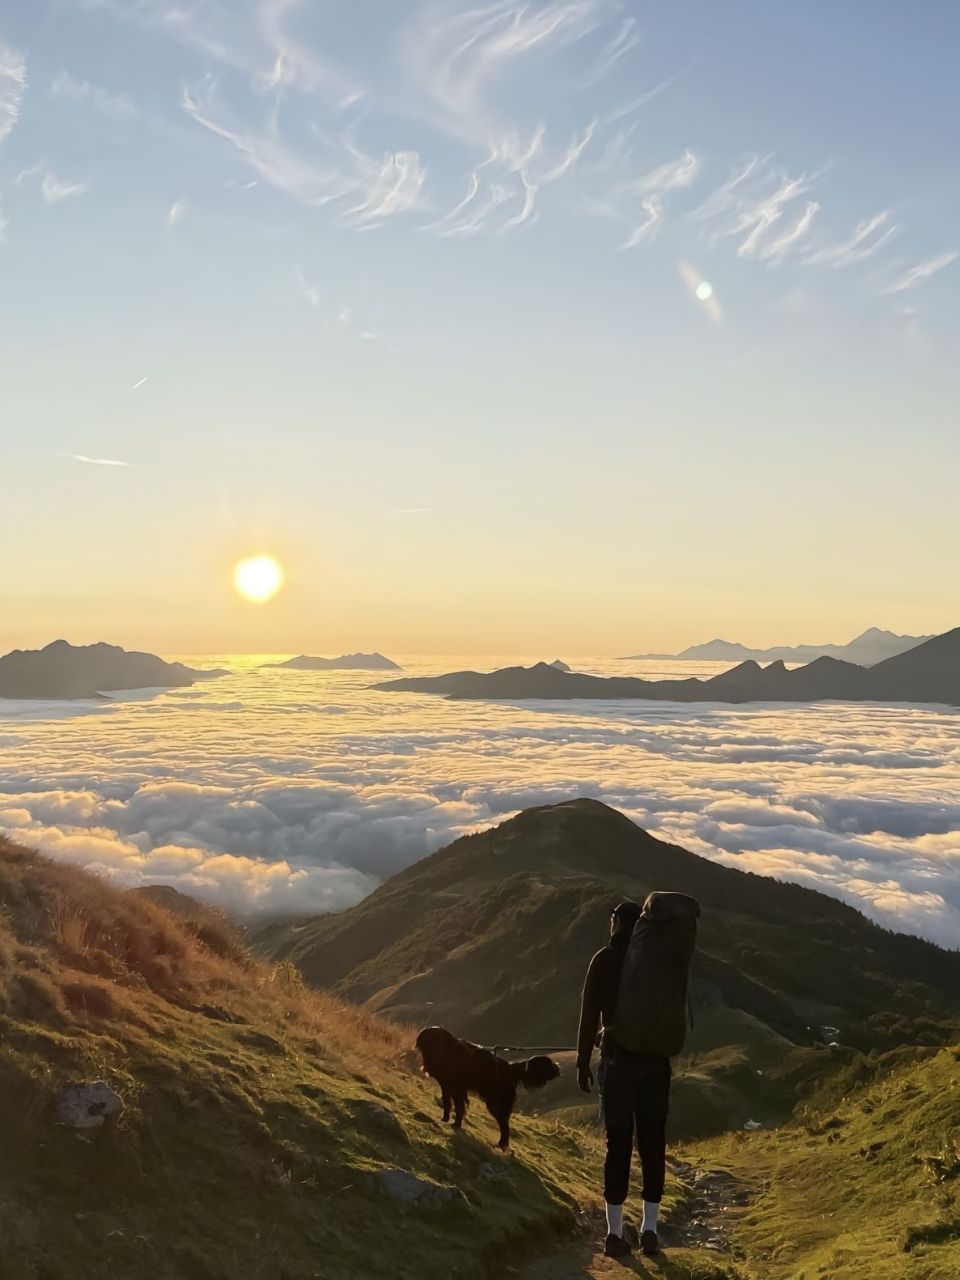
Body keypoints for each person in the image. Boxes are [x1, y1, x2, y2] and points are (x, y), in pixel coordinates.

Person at [576, 899, 672, 1260]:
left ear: (616, 922)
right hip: (656, 1066)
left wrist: (582, 1062)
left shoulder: (604, 960)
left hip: (618, 1066)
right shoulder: (655, 962)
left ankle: (615, 1235)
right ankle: (650, 1231)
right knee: (652, 1145)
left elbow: (589, 1014)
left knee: (618, 1146)